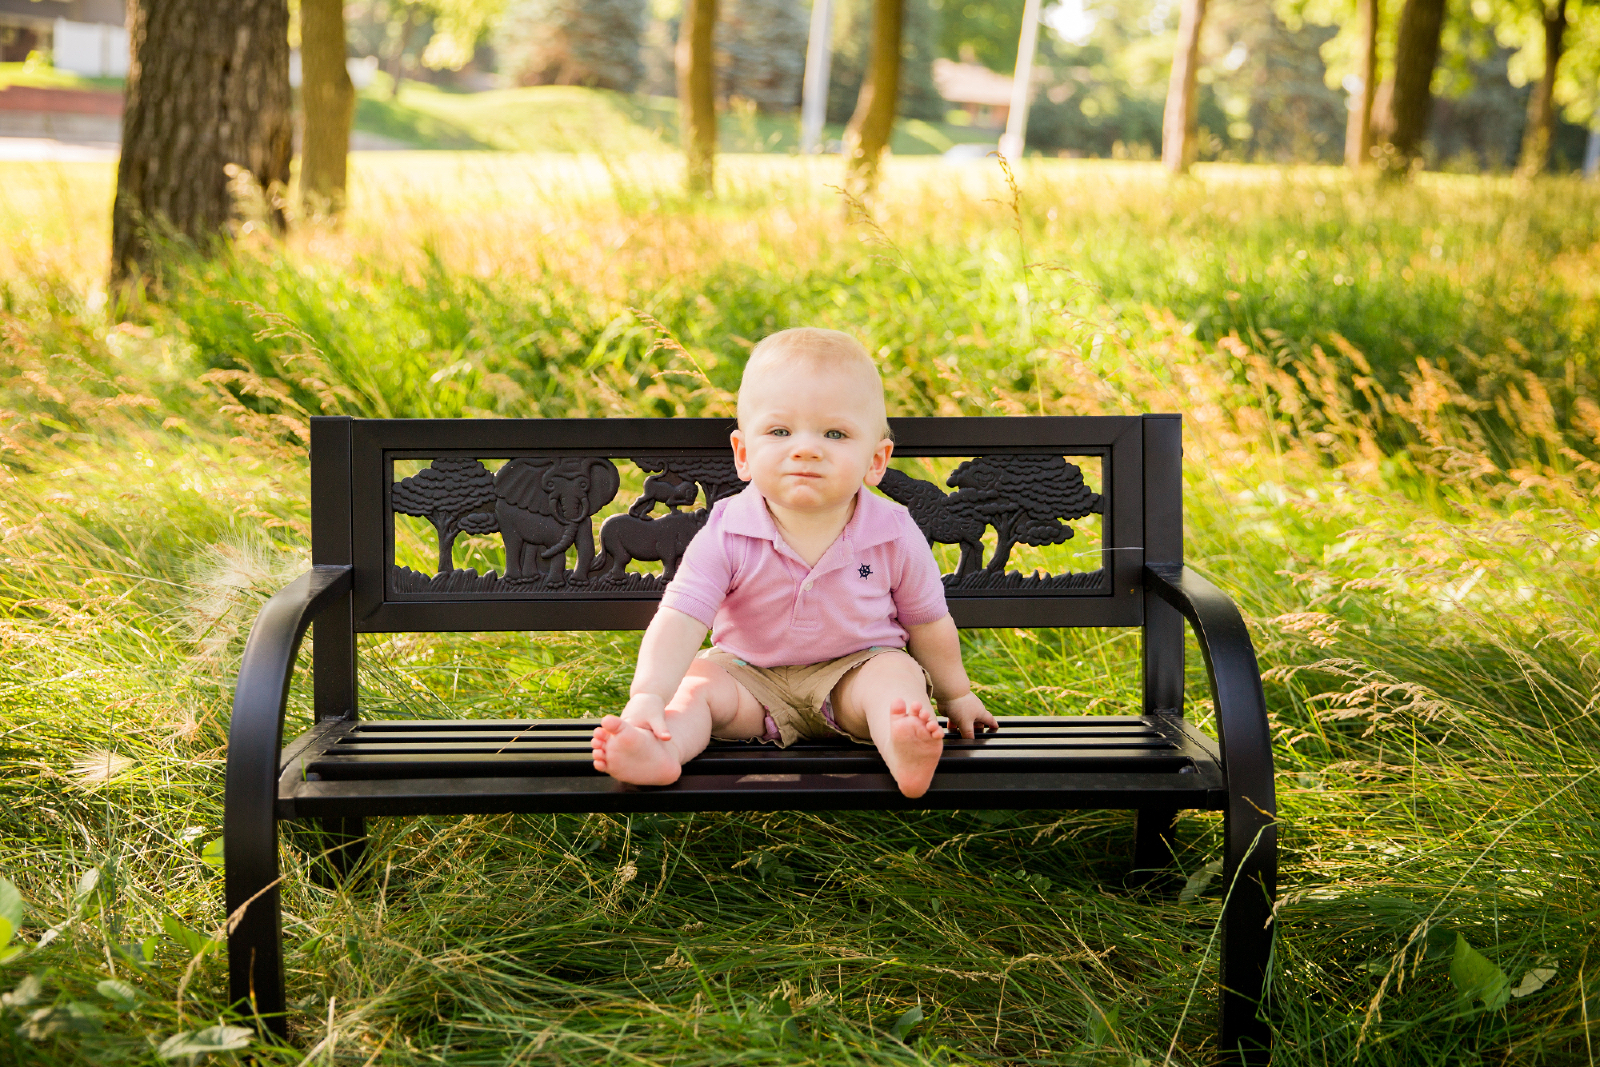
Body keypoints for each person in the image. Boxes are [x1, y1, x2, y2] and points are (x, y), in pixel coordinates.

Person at [590, 328, 998, 798]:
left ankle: (904, 746)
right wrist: (647, 696)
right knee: (697, 687)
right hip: (748, 679)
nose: (805, 448)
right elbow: (681, 619)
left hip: (853, 678)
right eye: (780, 432)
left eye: (835, 433)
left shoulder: (893, 532)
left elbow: (928, 622)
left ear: (876, 460)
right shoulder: (727, 531)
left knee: (895, 677)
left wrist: (956, 695)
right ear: (744, 454)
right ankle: (661, 749)